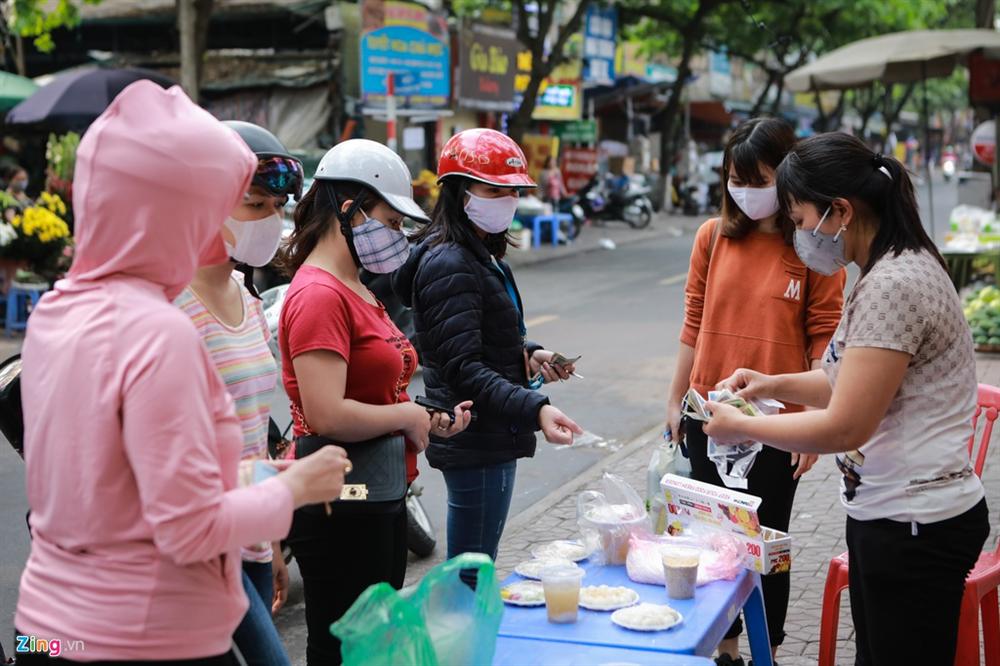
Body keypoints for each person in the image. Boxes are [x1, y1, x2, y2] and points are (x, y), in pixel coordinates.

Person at [13, 81, 349, 665]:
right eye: (215, 204)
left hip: (45, 634)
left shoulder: (56, 312)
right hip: (142, 640)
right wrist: (296, 488)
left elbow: (130, 487)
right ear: (176, 212)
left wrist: (265, 476)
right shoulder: (158, 331)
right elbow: (189, 529)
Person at [704, 132, 989, 666]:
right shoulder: (885, 269)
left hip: (915, 522)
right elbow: (844, 378)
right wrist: (770, 385)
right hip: (896, 513)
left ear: (840, 212)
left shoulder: (893, 285)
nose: (798, 234)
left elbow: (845, 425)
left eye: (800, 219)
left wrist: (742, 426)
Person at [276, 138, 473, 666]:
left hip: (378, 492)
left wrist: (423, 417)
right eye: (390, 222)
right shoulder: (319, 294)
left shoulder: (356, 286)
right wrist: (406, 415)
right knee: (343, 648)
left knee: (375, 645)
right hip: (340, 501)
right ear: (349, 210)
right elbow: (325, 413)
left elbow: (377, 390)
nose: (396, 236)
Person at [663, 118, 846, 666]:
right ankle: (727, 650)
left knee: (767, 542)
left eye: (759, 180)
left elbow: (824, 337)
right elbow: (693, 322)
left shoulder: (814, 248)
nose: (745, 191)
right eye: (736, 180)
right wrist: (674, 400)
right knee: (713, 540)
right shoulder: (711, 237)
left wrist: (813, 422)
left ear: (786, 178)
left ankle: (768, 649)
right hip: (709, 414)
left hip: (777, 424)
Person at [393, 128, 583, 578]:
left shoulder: (478, 254)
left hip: (491, 432)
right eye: (494, 191)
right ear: (460, 193)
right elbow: (464, 368)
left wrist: (529, 353)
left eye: (512, 191)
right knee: (470, 576)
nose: (508, 200)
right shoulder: (450, 262)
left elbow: (480, 338)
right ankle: (461, 629)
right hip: (474, 437)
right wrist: (537, 408)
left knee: (476, 568)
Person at [174, 121, 304, 666]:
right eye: (255, 204)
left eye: (277, 207)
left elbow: (253, 437)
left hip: (250, 533)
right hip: (204, 545)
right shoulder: (170, 310)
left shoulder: (248, 301)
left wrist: (271, 542)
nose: (271, 220)